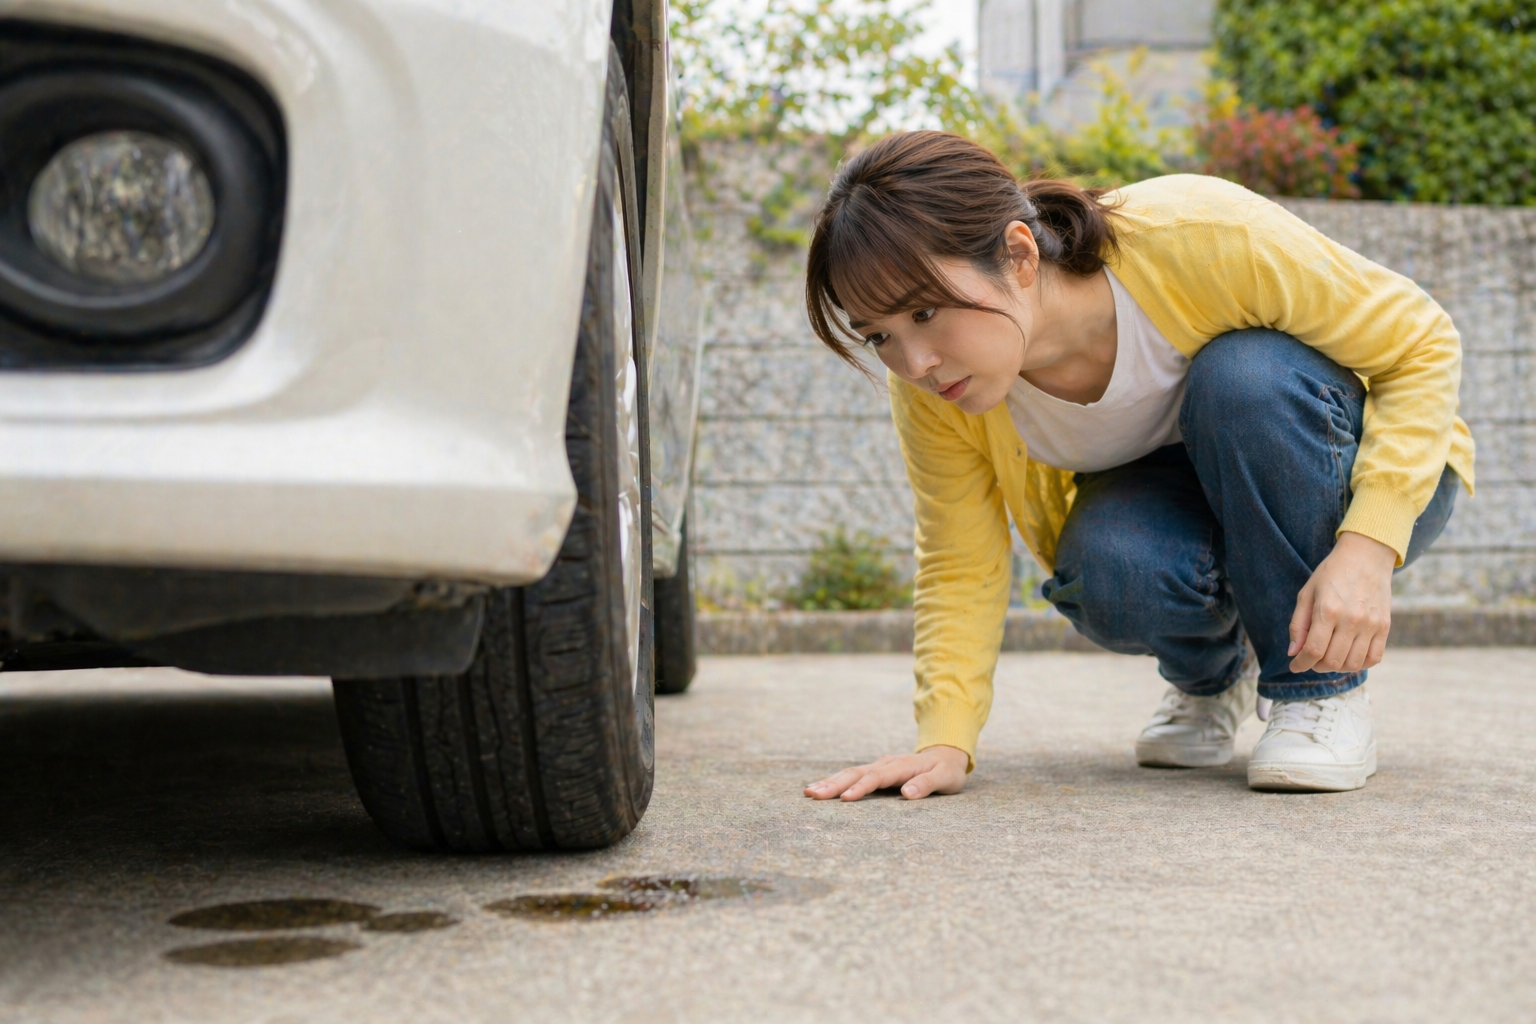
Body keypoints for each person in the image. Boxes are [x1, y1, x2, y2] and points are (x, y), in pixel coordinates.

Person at [800, 131, 1472, 800]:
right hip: (1189, 501)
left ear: (1020, 254)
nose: (915, 363)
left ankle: (1319, 694)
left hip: (1352, 469)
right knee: (1109, 564)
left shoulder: (1199, 236)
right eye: (880, 335)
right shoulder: (937, 393)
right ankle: (1214, 681)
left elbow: (1422, 344)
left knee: (1242, 378)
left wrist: (1368, 546)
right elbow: (958, 555)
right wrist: (945, 742)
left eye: (925, 311)